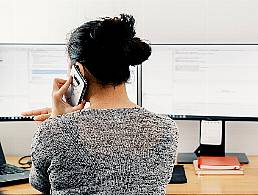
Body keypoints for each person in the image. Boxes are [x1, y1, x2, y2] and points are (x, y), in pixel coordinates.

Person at [22, 14, 179, 195]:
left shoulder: (53, 131)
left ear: (79, 71)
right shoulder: (167, 129)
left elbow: (39, 184)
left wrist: (57, 122)